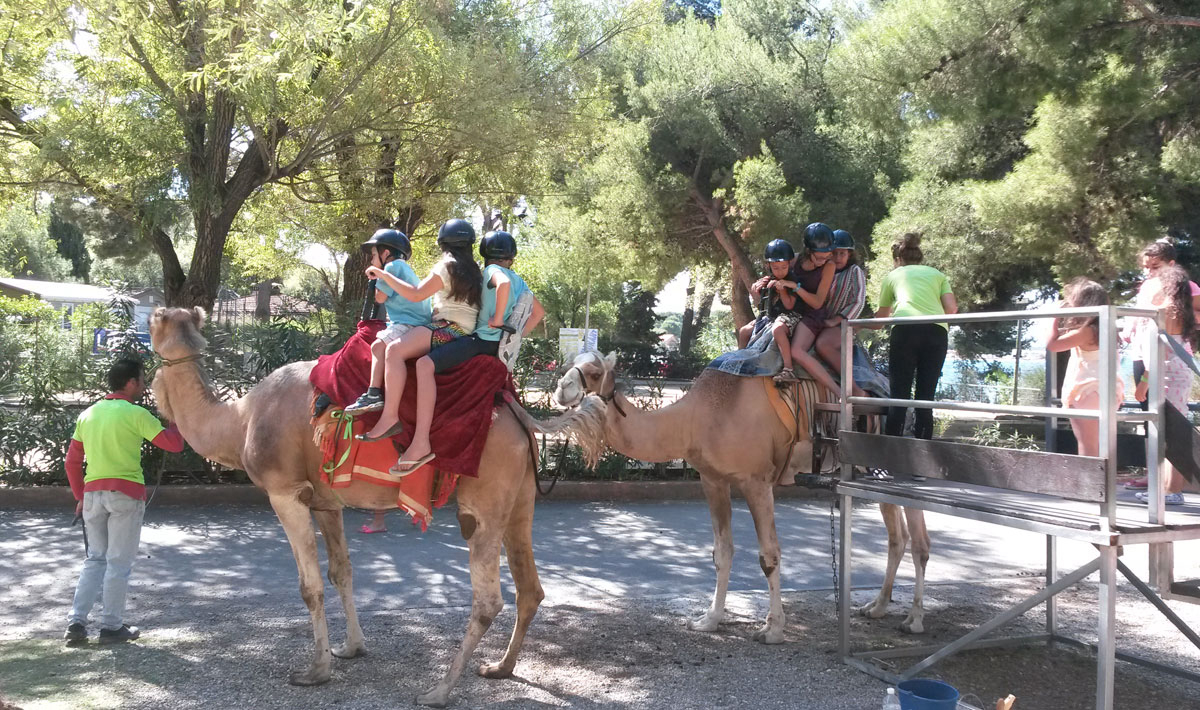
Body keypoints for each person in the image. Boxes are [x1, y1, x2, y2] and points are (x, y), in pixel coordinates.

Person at [64, 358, 184, 645]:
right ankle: (111, 626)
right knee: (118, 562)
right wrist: (174, 418)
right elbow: (174, 445)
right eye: (142, 380)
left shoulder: (88, 414)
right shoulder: (135, 414)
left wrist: (80, 497)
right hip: (126, 495)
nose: (144, 385)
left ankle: (76, 624)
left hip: (92, 495)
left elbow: (71, 462)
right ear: (130, 383)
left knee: (95, 559)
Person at [358, 218, 482, 472]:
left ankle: (390, 417)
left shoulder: (447, 266)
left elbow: (415, 294)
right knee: (417, 361)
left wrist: (381, 274)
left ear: (443, 243)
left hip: (450, 329)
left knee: (394, 350)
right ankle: (415, 438)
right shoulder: (473, 269)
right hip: (461, 329)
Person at [1124, 239, 1200, 490]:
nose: (1148, 273)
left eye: (1155, 267)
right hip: (1145, 355)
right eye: (1146, 267)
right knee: (1154, 421)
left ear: (1171, 264)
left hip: (1164, 358)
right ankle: (1156, 481)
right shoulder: (1149, 287)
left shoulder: (1182, 288)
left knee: (1169, 426)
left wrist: (1182, 314)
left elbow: (1172, 332)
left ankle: (1170, 489)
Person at [874, 232, 957, 440]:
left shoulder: (893, 275)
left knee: (899, 396)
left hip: (905, 330)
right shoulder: (937, 275)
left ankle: (889, 459)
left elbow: (881, 319)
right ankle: (922, 463)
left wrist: (858, 325)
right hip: (936, 332)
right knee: (925, 398)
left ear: (898, 259)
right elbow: (952, 308)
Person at [344, 229, 432, 414]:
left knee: (377, 346)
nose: (372, 261)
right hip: (414, 322)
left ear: (386, 254)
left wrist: (375, 280)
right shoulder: (405, 269)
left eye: (374, 255)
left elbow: (380, 298)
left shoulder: (391, 269)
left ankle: (373, 393)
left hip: (408, 323)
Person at [1134, 264, 1195, 505]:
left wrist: (1143, 383)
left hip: (1167, 373)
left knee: (1170, 434)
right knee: (1172, 432)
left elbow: (1157, 353)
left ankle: (1172, 491)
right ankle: (1169, 490)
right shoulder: (1183, 310)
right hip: (1178, 372)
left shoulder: (1164, 311)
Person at [1046, 278, 1124, 458]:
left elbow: (1052, 345)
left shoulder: (1086, 331)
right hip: (1106, 389)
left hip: (1087, 391)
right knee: (1099, 443)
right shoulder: (1104, 328)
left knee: (1087, 444)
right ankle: (1102, 482)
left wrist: (1055, 317)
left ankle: (1089, 484)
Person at [782, 223, 841, 396]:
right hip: (792, 310)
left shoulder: (829, 267)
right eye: (819, 257)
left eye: (827, 256)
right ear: (808, 251)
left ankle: (839, 393)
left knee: (797, 351)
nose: (823, 261)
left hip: (812, 315)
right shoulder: (794, 260)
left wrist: (796, 288)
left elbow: (817, 302)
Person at [815, 228, 867, 394]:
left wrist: (836, 320)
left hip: (842, 325)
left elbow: (858, 301)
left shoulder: (854, 272)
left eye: (842, 254)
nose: (838, 258)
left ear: (849, 255)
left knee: (823, 345)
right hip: (819, 321)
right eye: (834, 253)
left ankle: (854, 389)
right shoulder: (821, 271)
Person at [737, 239, 799, 380]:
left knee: (778, 329)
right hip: (770, 317)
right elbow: (762, 306)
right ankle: (740, 360)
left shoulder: (792, 280)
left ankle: (788, 368)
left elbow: (790, 306)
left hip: (790, 316)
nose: (780, 271)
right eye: (776, 268)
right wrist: (757, 291)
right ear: (769, 266)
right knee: (744, 331)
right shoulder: (769, 279)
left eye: (783, 267)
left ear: (789, 264)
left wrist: (782, 290)